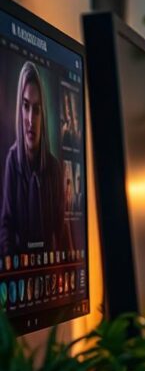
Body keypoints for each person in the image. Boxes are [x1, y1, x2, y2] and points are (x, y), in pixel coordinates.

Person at [0, 61, 69, 256]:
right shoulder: (12, 161)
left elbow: (61, 229)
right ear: (19, 109)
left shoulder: (54, 168)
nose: (31, 119)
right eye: (26, 106)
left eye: (37, 109)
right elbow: (6, 227)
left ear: (43, 115)